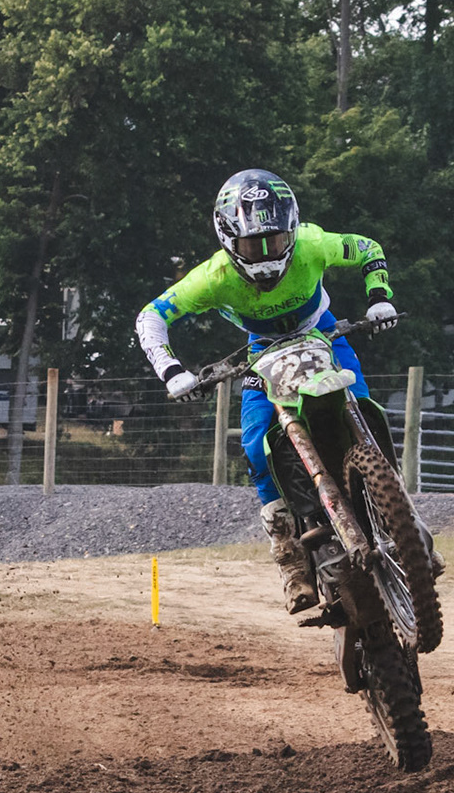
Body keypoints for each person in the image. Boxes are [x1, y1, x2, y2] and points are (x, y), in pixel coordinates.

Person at [135, 168, 415, 613]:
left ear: (293, 229)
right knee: (254, 444)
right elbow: (151, 316)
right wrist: (171, 372)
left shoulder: (313, 243)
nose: (266, 256)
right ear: (229, 240)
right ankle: (290, 559)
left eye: (276, 241)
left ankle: (406, 526)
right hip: (261, 352)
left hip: (323, 333)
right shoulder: (213, 276)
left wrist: (379, 297)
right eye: (253, 246)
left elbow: (367, 248)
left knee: (364, 410)